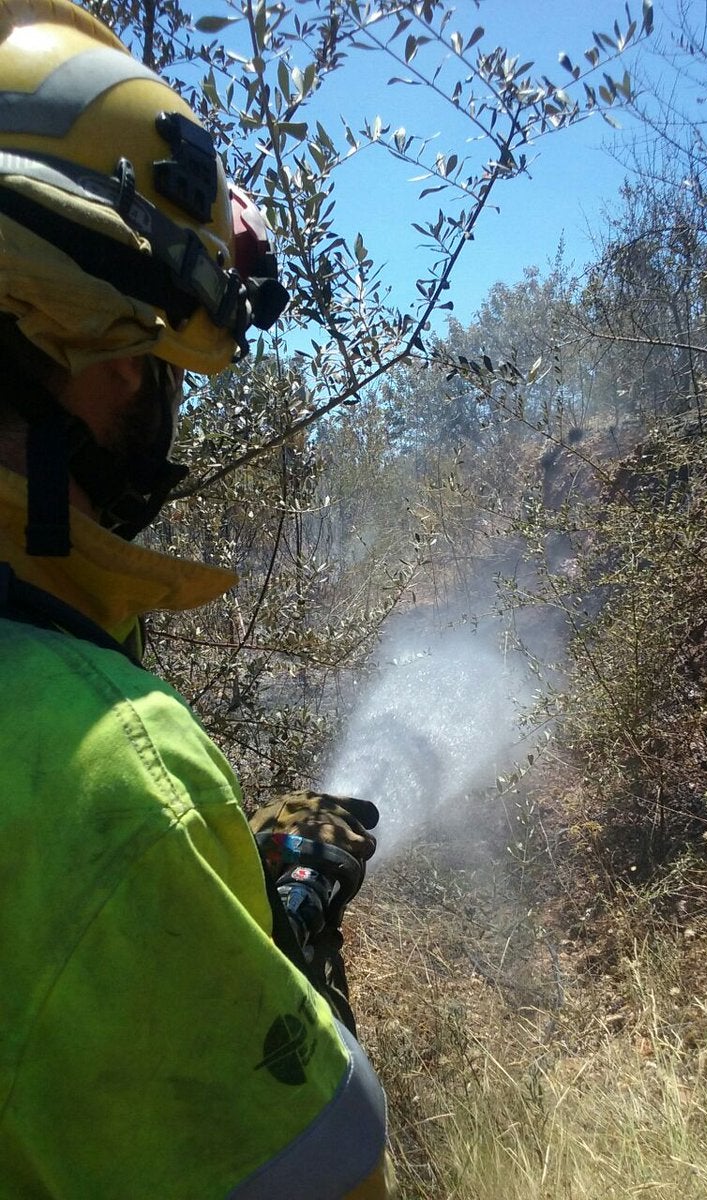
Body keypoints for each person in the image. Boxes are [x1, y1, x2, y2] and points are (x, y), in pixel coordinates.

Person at [0, 1, 394, 1195]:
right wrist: (293, 961)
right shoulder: (109, 777)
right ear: (71, 339)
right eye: (159, 363)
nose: (160, 403)